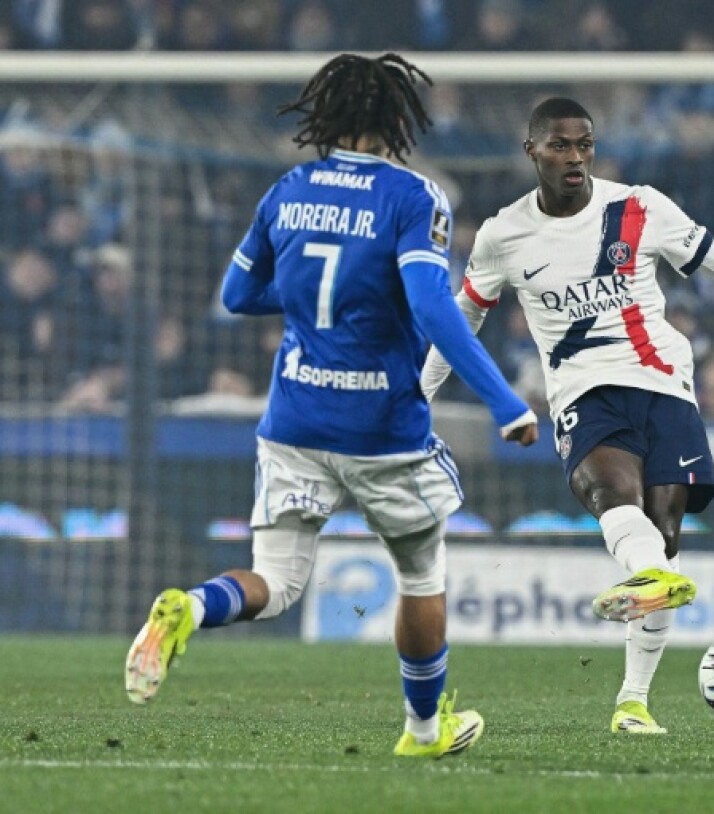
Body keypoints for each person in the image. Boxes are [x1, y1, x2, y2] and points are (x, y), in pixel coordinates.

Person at [419, 97, 714, 734]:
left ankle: (632, 703)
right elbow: (462, 318)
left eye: (585, 144)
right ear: (532, 151)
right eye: (560, 146)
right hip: (585, 393)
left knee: (663, 552)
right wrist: (415, 401)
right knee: (612, 492)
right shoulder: (505, 234)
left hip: (666, 386)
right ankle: (641, 599)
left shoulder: (640, 207)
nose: (576, 157)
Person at [123, 54, 538, 759]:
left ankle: (187, 607)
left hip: (293, 419)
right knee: (420, 576)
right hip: (380, 429)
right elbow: (435, 310)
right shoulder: (415, 197)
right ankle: (422, 732)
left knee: (277, 583)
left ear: (327, 119)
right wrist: (504, 402)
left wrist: (328, 298)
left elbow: (237, 296)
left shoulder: (287, 189)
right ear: (396, 121)